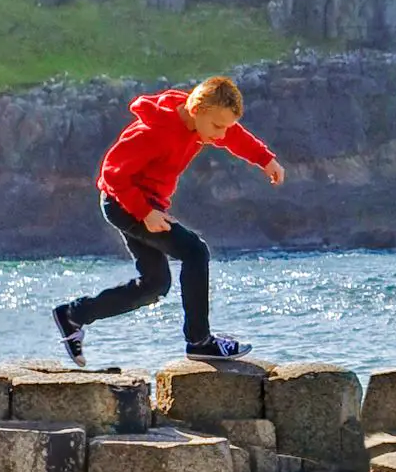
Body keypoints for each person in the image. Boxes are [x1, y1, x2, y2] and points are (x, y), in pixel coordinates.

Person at [54, 75, 283, 364]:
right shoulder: (155, 130)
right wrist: (145, 213)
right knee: (195, 251)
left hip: (145, 205)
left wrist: (265, 159)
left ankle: (73, 315)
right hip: (124, 202)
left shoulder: (201, 122)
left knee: (155, 285)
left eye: (225, 126)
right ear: (197, 110)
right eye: (217, 126)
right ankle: (200, 341)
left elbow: (235, 136)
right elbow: (112, 174)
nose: (221, 135)